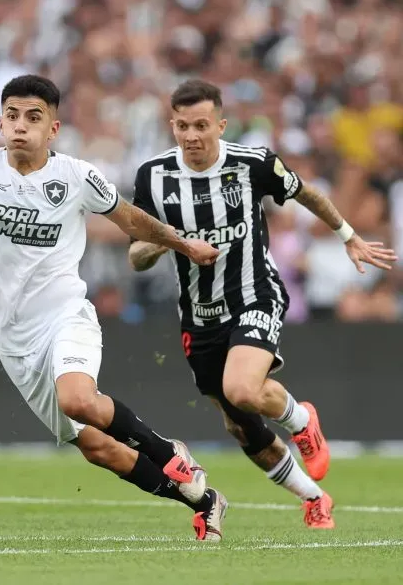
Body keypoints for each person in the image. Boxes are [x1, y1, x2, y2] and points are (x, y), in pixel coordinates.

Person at [0, 74, 229, 542]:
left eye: (33, 117)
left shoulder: (76, 176)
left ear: (53, 128)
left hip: (67, 317)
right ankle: (202, 500)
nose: (20, 126)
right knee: (98, 450)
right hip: (13, 341)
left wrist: (182, 244)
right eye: (12, 116)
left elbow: (130, 218)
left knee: (78, 399)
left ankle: (168, 450)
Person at [128, 79, 397, 529]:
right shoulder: (152, 176)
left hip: (255, 294)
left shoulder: (252, 164)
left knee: (242, 389)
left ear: (221, 124)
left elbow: (306, 193)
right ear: (171, 126)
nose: (191, 135)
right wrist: (173, 241)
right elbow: (136, 255)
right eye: (181, 126)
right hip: (198, 315)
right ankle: (315, 498)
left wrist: (348, 236)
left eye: (201, 125)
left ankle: (299, 418)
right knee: (242, 427)